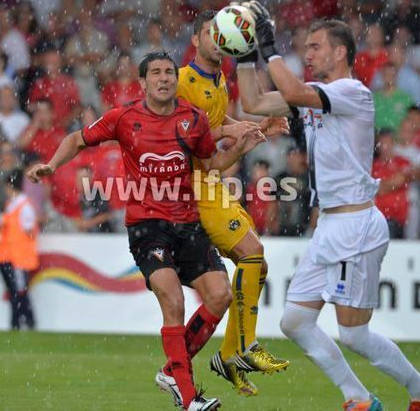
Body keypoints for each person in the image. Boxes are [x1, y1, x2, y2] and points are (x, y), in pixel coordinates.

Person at [27, 51, 266, 411]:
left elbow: (211, 162)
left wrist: (242, 147)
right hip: (147, 227)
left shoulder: (194, 119)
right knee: (174, 300)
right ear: (143, 83)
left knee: (220, 296)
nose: (164, 78)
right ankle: (189, 399)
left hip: (187, 223)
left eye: (169, 72)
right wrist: (51, 164)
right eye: (155, 73)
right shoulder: (124, 117)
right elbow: (77, 139)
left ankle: (172, 370)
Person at [236, 0, 420, 410]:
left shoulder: (352, 92)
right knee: (294, 321)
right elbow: (254, 103)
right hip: (329, 226)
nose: (308, 54)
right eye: (306, 48)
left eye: (315, 47)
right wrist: (245, 53)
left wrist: (270, 46)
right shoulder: (315, 96)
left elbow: (293, 91)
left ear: (340, 52)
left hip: (356, 227)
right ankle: (358, 397)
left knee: (352, 334)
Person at [175, 10, 290, 397]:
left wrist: (251, 128)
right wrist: (236, 131)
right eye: (211, 32)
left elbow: (215, 124)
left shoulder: (220, 80)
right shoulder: (183, 81)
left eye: (221, 33)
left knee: (257, 263)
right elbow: (190, 133)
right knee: (252, 253)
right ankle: (244, 347)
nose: (217, 38)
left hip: (212, 181)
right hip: (193, 186)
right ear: (196, 41)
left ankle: (226, 356)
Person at [0, 169, 38, 330]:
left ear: (9, 186)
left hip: (17, 257)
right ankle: (21, 322)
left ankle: (23, 322)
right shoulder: (13, 205)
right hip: (7, 256)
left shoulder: (23, 206)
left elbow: (28, 231)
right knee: (15, 292)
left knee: (18, 292)